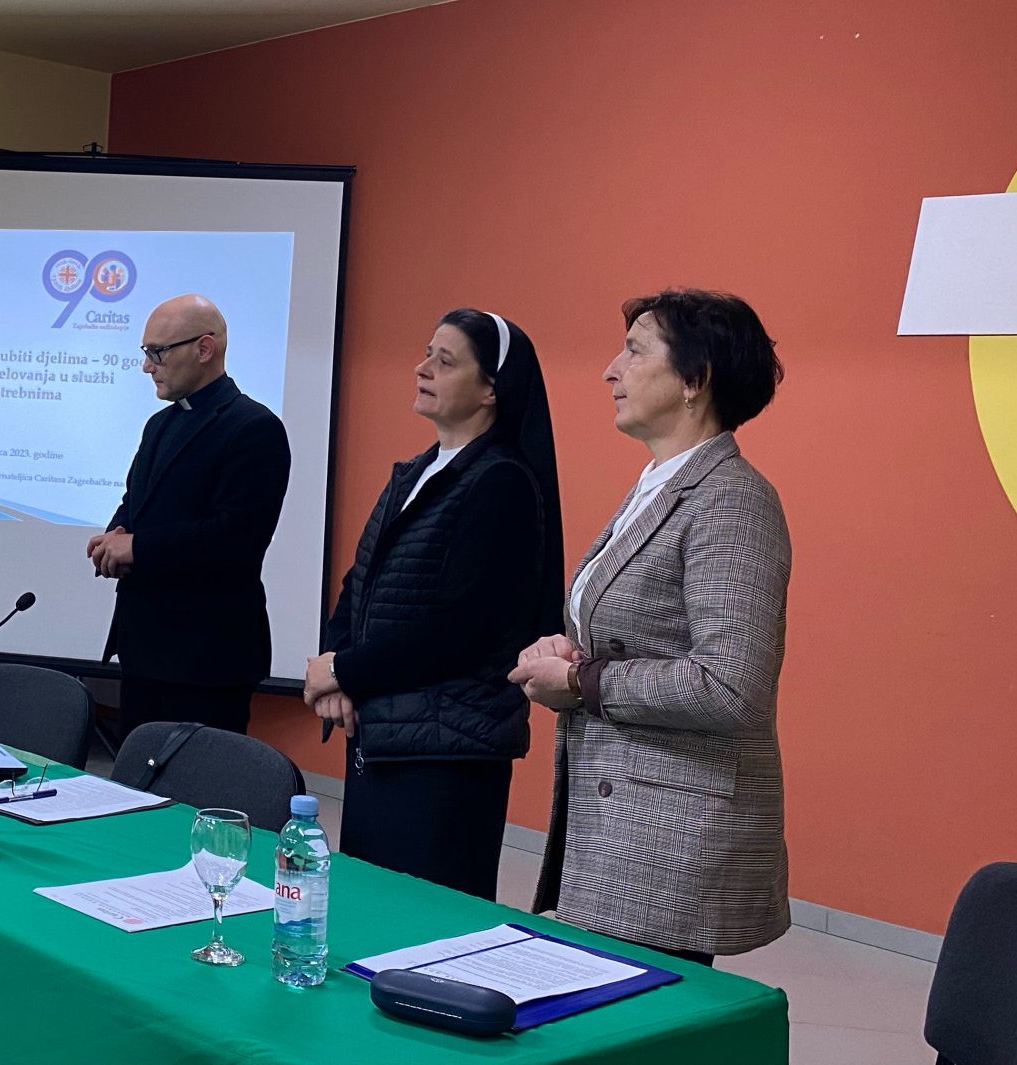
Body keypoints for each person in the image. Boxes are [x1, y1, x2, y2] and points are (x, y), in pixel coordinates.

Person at [509, 289, 790, 966]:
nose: (610, 369)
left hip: (670, 838)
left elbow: (729, 686)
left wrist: (580, 679)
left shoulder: (731, 500)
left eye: (635, 351)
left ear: (695, 380)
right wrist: (566, 650)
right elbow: (630, 633)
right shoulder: (658, 485)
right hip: (619, 822)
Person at [302, 309, 562, 900]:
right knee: (370, 910)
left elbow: (460, 629)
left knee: (425, 924)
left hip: (447, 752)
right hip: (387, 732)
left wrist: (343, 670)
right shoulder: (417, 470)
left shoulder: (501, 482)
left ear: (491, 388)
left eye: (445, 362)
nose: (422, 369)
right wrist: (336, 669)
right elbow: (360, 583)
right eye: (426, 354)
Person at [90, 294, 290, 738]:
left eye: (157, 352)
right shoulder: (159, 424)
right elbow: (135, 503)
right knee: (135, 779)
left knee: (199, 781)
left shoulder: (253, 427)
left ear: (204, 348)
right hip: (143, 648)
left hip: (206, 658)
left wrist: (137, 547)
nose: (147, 366)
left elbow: (237, 538)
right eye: (146, 352)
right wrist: (114, 537)